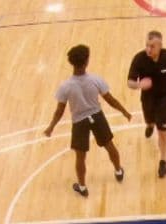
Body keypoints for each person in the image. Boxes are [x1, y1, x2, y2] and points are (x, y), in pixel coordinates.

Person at [44, 44, 132, 198]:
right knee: (110, 146)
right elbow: (110, 100)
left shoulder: (65, 86)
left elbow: (59, 111)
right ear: (86, 61)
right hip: (97, 116)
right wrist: (124, 111)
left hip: (79, 122)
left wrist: (51, 127)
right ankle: (118, 170)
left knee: (80, 157)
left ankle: (83, 187)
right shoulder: (95, 80)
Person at [126, 30, 166, 178]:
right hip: (148, 98)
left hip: (164, 97)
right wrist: (140, 85)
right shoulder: (139, 59)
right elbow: (130, 82)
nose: (148, 49)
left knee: (162, 129)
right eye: (147, 45)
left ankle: (163, 160)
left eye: (152, 46)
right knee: (150, 120)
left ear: (160, 45)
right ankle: (149, 125)